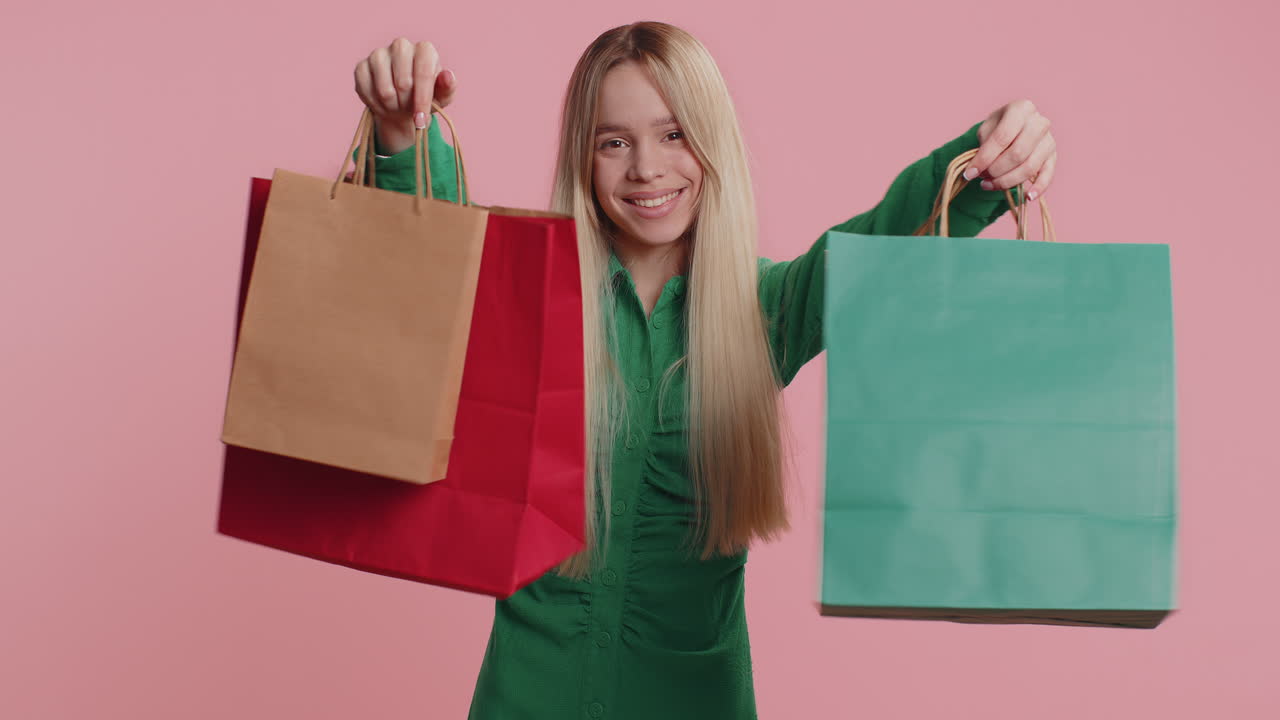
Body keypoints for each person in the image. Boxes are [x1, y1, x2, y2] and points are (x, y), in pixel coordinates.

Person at [351, 21, 1057, 720]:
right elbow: (433, 266)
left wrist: (989, 157)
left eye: (674, 133)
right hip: (525, 699)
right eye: (613, 142)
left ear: (711, 141)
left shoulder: (765, 310)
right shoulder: (532, 298)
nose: (646, 169)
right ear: (582, 159)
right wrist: (398, 132)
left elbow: (886, 240)